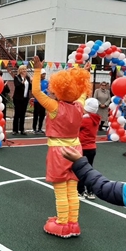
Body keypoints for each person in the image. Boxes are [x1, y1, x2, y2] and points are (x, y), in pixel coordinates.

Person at [32, 56, 91, 238]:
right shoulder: (80, 107)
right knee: (72, 188)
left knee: (60, 189)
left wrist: (36, 70)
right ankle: (73, 223)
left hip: (58, 151)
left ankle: (62, 222)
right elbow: (83, 93)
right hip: (76, 149)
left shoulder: (54, 106)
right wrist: (85, 74)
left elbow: (36, 91)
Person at [78, 98, 101, 200]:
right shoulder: (96, 118)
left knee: (80, 169)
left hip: (83, 147)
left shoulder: (85, 119)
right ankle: (90, 191)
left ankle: (80, 190)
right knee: (89, 169)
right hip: (92, 147)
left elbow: (76, 127)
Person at [12, 65, 32, 135]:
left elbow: (30, 88)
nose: (24, 71)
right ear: (20, 70)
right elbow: (17, 86)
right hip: (17, 98)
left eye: (25, 70)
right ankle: (15, 130)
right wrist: (22, 82)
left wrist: (31, 83)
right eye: (23, 70)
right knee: (17, 114)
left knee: (23, 114)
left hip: (25, 98)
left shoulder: (27, 78)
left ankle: (22, 129)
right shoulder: (17, 77)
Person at [32, 69, 49, 134]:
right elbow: (35, 90)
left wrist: (45, 92)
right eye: (43, 74)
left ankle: (40, 128)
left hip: (43, 101)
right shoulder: (37, 81)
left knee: (42, 115)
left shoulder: (46, 82)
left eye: (45, 74)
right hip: (37, 101)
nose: (44, 75)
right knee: (36, 115)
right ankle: (34, 128)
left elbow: (48, 90)